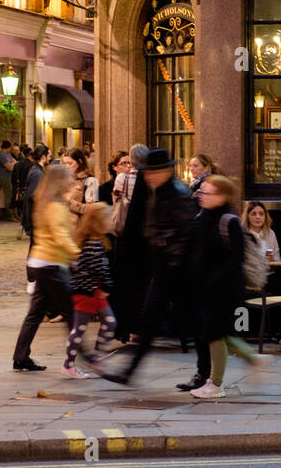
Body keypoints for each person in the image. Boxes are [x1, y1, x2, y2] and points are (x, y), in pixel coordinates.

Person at [98, 149, 203, 387]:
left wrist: (176, 267)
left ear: (165, 171)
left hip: (178, 272)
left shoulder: (176, 194)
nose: (148, 177)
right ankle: (130, 371)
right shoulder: (158, 192)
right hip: (164, 271)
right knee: (149, 320)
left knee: (193, 324)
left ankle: (205, 374)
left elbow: (186, 234)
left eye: (153, 172)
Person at [189, 175, 266, 399]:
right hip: (209, 288)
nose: (201, 196)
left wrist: (214, 281)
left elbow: (236, 259)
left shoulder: (229, 221)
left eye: (207, 192)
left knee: (215, 334)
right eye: (201, 191)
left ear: (221, 196)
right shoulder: (203, 217)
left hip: (226, 290)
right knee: (219, 335)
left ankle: (216, 384)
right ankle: (253, 359)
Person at [11, 164, 78, 371]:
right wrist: (78, 254)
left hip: (42, 262)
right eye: (68, 178)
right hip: (52, 265)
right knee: (72, 314)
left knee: (35, 313)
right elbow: (61, 236)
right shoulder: (56, 205)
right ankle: (83, 361)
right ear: (59, 181)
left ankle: (21, 357)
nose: (72, 181)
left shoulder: (44, 201)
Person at [63, 202, 116, 379]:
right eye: (108, 218)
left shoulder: (89, 240)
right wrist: (107, 286)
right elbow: (99, 269)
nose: (110, 221)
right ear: (98, 222)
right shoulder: (93, 244)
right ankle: (69, 365)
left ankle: (95, 358)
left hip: (91, 290)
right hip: (87, 292)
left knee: (108, 321)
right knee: (79, 329)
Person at [108, 144, 151, 343]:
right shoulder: (150, 179)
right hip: (145, 237)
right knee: (143, 284)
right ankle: (140, 327)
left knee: (126, 282)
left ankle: (125, 327)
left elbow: (116, 197)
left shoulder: (123, 177)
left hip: (125, 235)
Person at [61, 148, 97, 229]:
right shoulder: (64, 179)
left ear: (80, 162)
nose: (67, 167)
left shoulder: (90, 180)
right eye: (65, 164)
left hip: (79, 229)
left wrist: (70, 202)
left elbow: (91, 208)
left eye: (70, 163)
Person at [21, 145, 51, 239]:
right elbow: (34, 196)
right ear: (43, 157)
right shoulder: (37, 173)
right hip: (36, 219)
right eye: (49, 156)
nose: (50, 159)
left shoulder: (37, 171)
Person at [10, 146, 33, 232]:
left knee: (22, 209)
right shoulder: (33, 166)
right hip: (29, 190)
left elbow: (13, 179)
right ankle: (26, 227)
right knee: (29, 210)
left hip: (19, 192)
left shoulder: (18, 164)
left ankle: (22, 225)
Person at [0, 140, 15, 217]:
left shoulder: (8, 154)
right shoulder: (1, 155)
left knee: (10, 195)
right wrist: (13, 164)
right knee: (8, 195)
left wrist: (12, 164)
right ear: (8, 147)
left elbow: (15, 163)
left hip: (8, 176)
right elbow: (9, 167)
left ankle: (12, 213)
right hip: (4, 177)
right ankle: (9, 214)